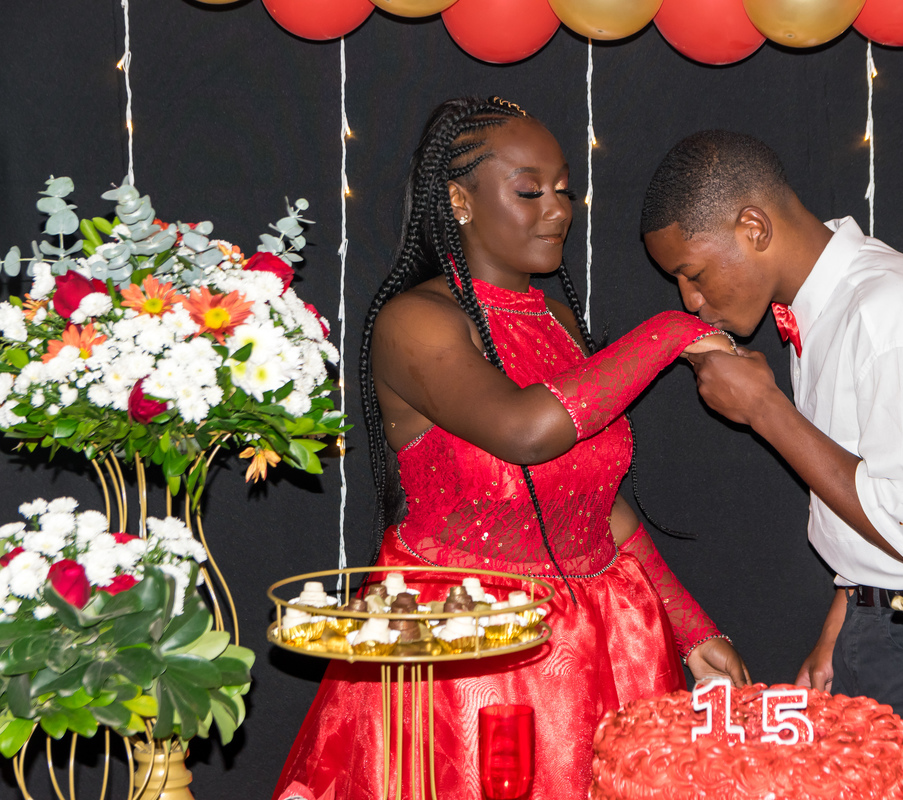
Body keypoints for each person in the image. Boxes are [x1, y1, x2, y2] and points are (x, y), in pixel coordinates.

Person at [275, 99, 749, 800]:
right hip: (466, 652)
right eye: (530, 191)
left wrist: (687, 624)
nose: (557, 210)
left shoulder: (557, 319)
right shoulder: (416, 323)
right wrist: (669, 332)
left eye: (564, 190)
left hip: (605, 640)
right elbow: (524, 433)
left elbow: (596, 502)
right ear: (460, 199)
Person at [639, 130, 903, 795]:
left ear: (753, 226)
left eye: (692, 273)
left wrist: (765, 409)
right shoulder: (829, 307)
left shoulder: (888, 309)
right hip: (893, 626)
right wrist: (842, 627)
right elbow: (883, 493)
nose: (690, 300)